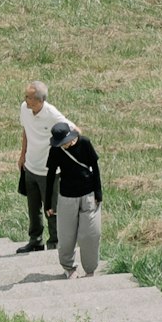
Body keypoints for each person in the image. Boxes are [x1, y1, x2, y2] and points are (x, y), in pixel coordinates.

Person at [16, 83, 74, 254]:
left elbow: (74, 130)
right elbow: (26, 130)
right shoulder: (24, 109)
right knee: (33, 209)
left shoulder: (52, 115)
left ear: (40, 100)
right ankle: (35, 241)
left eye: (29, 97)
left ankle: (55, 243)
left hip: (49, 172)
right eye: (25, 96)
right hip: (30, 167)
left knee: (52, 210)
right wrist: (22, 154)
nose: (26, 100)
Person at [47, 116, 104, 275]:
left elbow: (95, 167)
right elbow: (51, 175)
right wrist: (48, 203)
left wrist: (98, 192)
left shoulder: (84, 143)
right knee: (66, 237)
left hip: (88, 195)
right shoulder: (56, 150)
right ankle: (68, 267)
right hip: (66, 197)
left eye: (65, 142)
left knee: (90, 235)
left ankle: (90, 270)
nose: (64, 146)